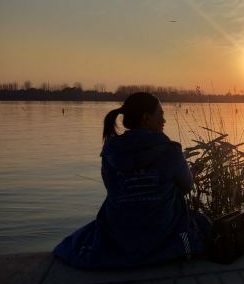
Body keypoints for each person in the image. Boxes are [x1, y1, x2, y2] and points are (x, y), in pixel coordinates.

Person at [53, 92, 211, 268]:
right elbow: (187, 186)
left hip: (121, 231)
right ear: (146, 118)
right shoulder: (170, 151)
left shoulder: (111, 152)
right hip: (160, 228)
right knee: (202, 224)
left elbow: (113, 188)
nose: (164, 121)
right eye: (161, 115)